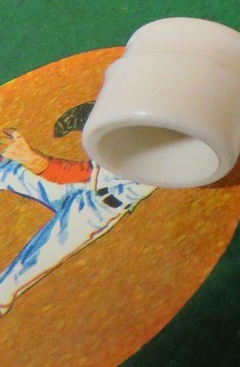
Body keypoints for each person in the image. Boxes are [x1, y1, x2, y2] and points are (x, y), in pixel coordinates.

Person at [0, 122, 154, 316]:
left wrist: (28, 156)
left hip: (94, 212)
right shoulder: (150, 139)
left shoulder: (151, 161)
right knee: (11, 172)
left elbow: (71, 174)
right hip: (81, 188)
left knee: (35, 261)